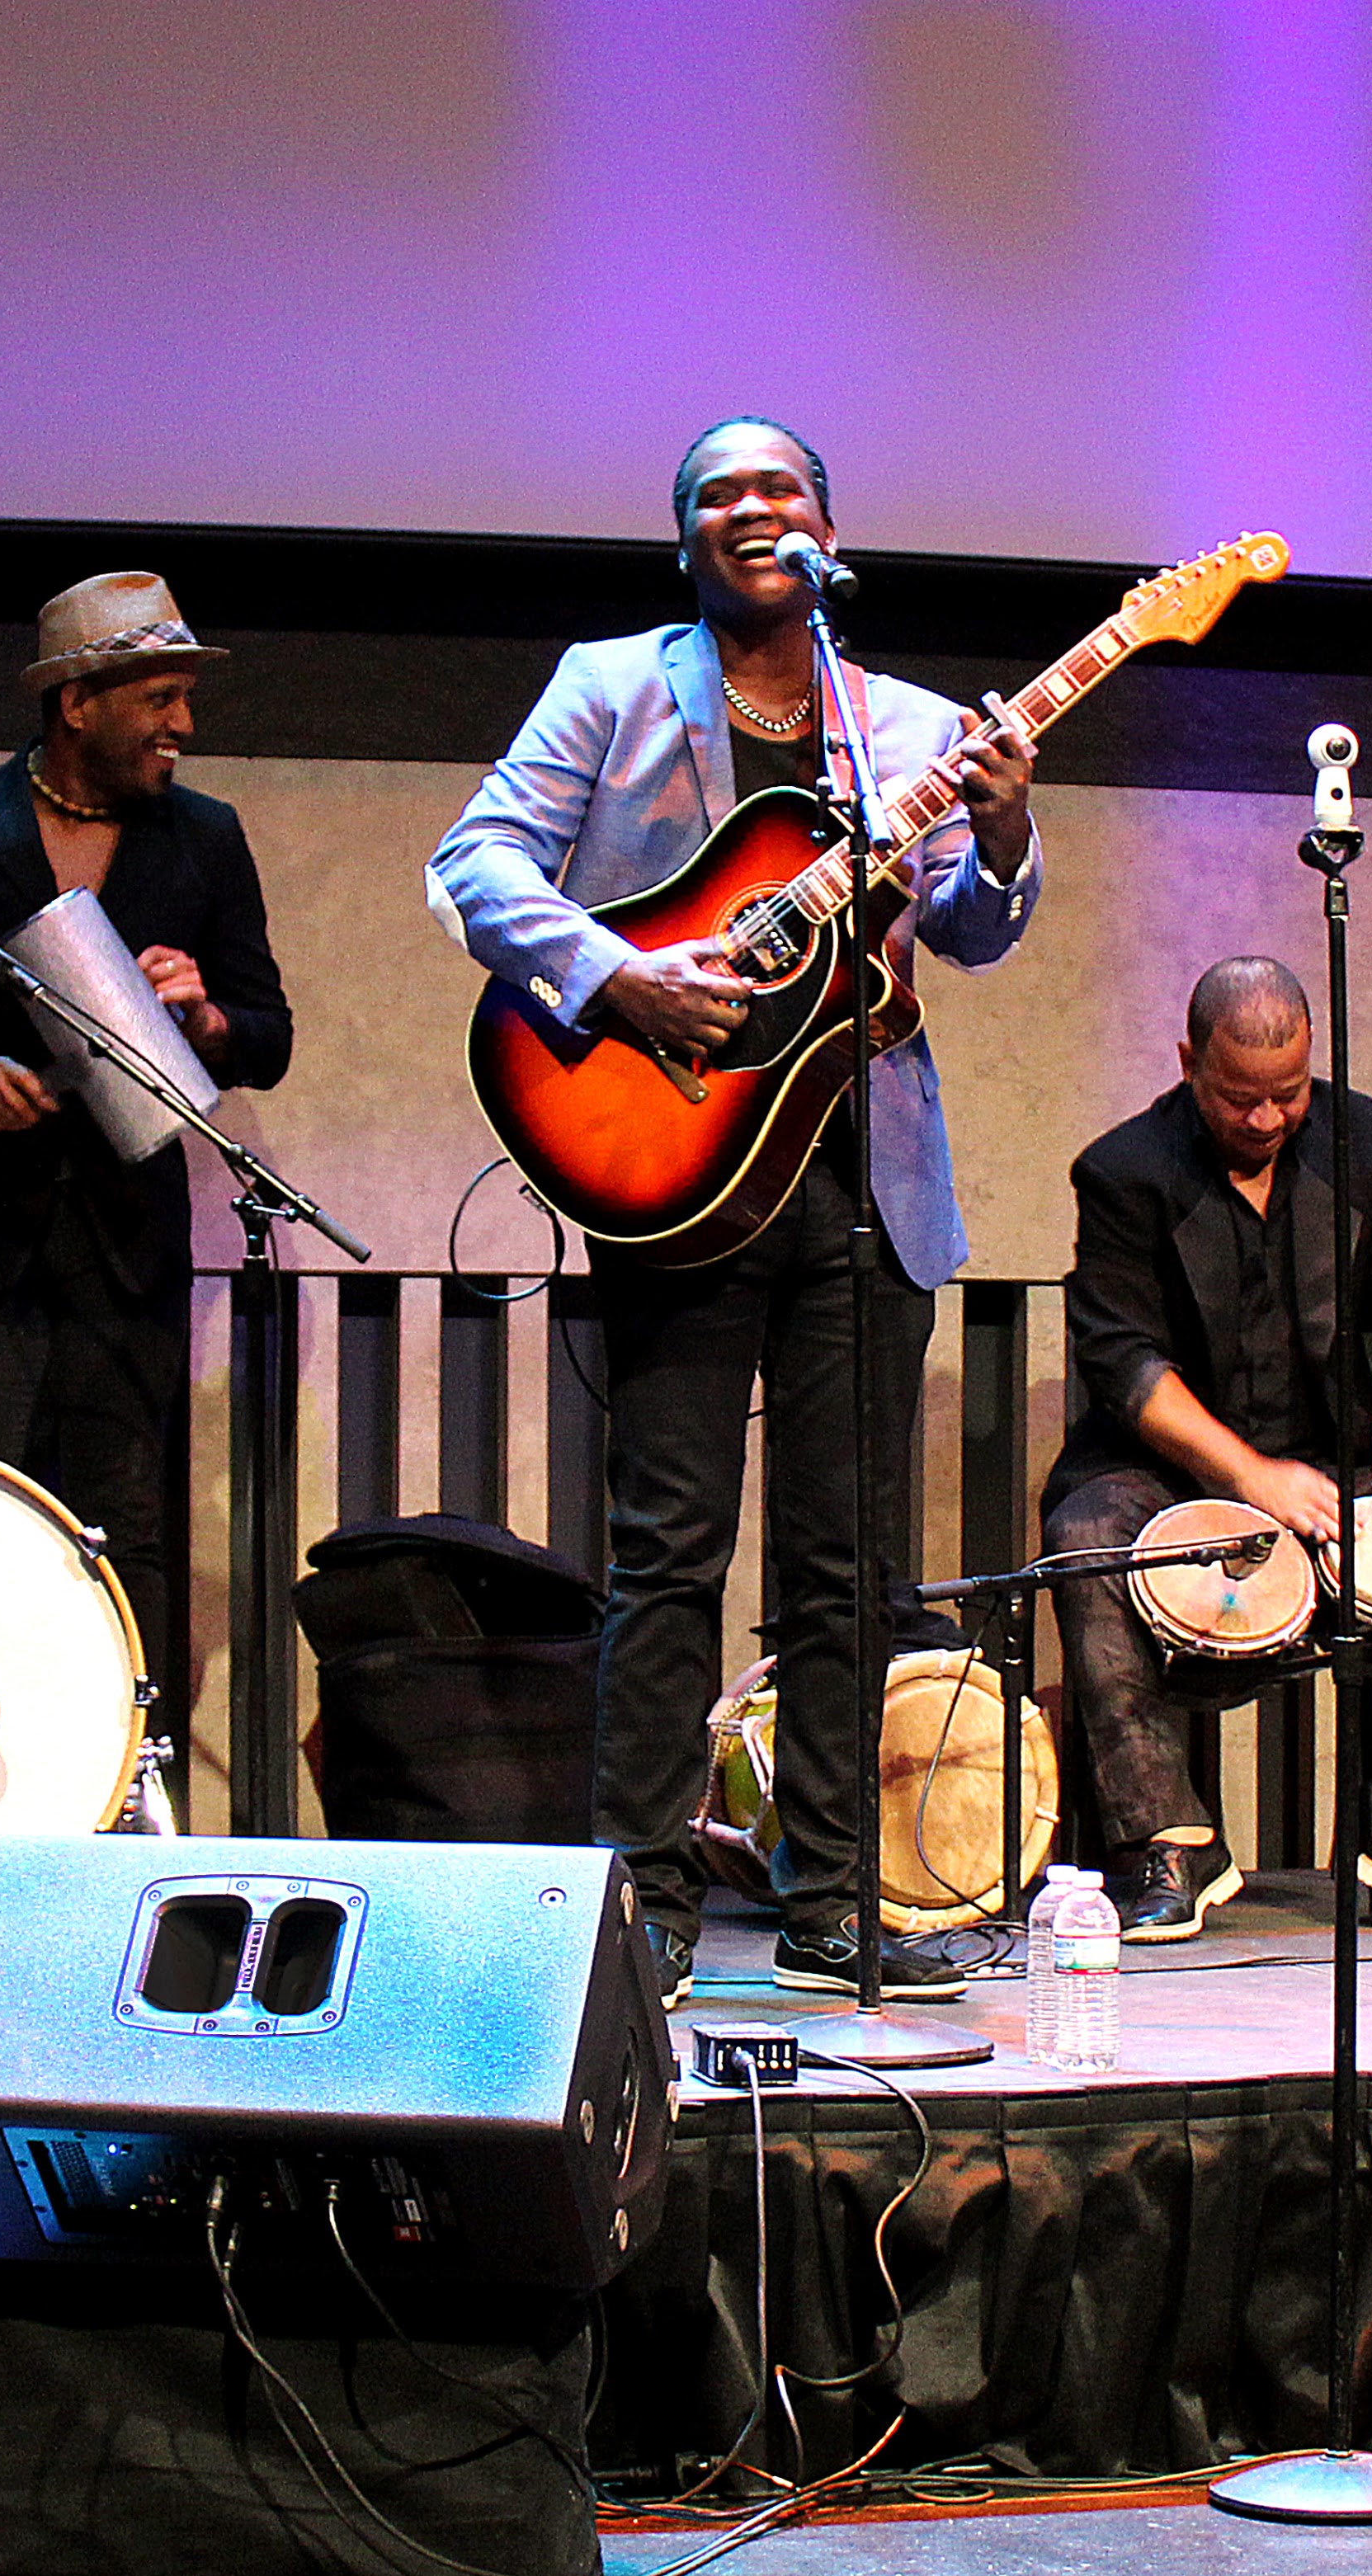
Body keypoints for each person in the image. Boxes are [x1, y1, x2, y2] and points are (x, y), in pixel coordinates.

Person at [426, 417, 1040, 2006]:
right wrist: (617, 973)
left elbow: (968, 927)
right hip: (677, 1169)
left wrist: (1012, 827)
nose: (749, 512)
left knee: (849, 1566)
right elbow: (476, 864)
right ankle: (642, 1901)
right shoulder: (610, 682)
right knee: (668, 1549)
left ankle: (834, 1891)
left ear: (831, 528)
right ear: (684, 538)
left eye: (778, 492)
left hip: (863, 1174)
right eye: (718, 496)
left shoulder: (898, 728)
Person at [0, 571, 290, 1680]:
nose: (184, 725)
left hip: (126, 1256)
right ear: (77, 701)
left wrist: (205, 1014)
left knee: (126, 1536)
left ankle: (126, 1795)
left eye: (182, 699)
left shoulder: (205, 840)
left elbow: (266, 1035)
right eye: (160, 698)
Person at [1043, 957, 1372, 1942]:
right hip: (1173, 1473)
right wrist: (1248, 1478)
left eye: (1286, 1095)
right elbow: (1123, 1364)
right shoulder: (1123, 1171)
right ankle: (1165, 1848)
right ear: (1186, 1063)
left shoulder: (1370, 1144)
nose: (1264, 1119)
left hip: (1333, 1465)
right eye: (1236, 1097)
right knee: (1086, 1535)